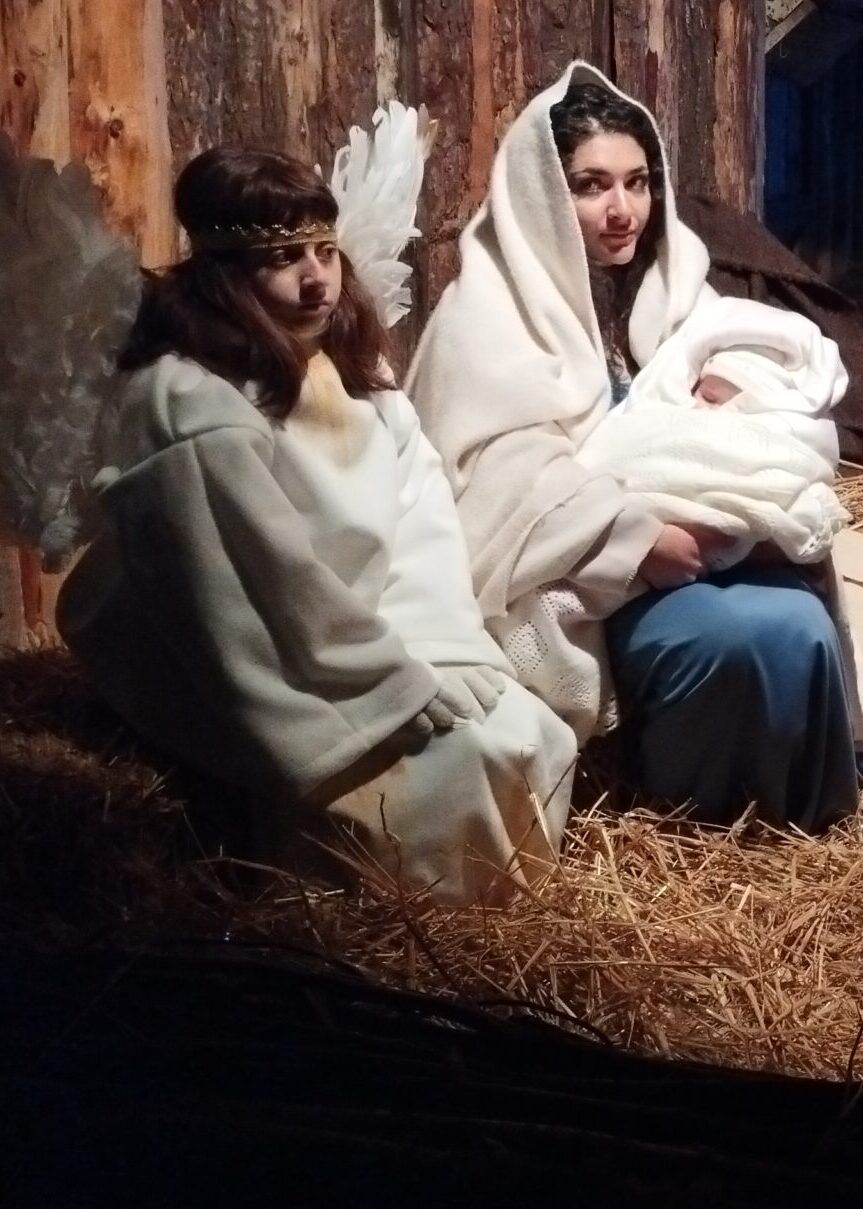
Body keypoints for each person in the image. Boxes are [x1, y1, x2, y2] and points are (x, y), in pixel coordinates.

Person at [59, 148, 577, 905]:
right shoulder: (188, 403)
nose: (316, 279)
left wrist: (441, 649)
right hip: (253, 663)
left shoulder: (356, 384)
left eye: (324, 252)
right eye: (281, 259)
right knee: (438, 773)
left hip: (362, 636)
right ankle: (401, 927)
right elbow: (249, 582)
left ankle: (502, 914)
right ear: (222, 272)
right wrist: (386, 684)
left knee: (526, 728)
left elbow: (418, 531)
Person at [407, 64, 863, 829]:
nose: (622, 210)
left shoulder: (676, 286)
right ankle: (703, 817)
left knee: (802, 614)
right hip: (588, 583)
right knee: (751, 635)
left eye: (638, 182)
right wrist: (638, 537)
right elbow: (490, 487)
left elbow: (764, 371)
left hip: (709, 544)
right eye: (591, 186)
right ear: (542, 195)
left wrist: (743, 408)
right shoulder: (484, 320)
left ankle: (809, 818)